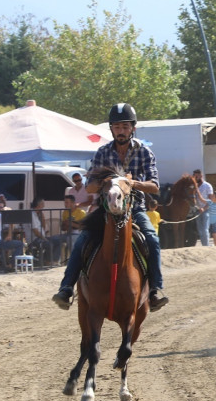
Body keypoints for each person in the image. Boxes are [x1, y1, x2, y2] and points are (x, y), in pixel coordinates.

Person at [52, 103, 168, 310]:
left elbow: (155, 186)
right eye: (116, 127)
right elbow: (89, 188)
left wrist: (132, 184)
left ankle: (155, 290)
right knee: (82, 241)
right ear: (111, 129)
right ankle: (66, 288)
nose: (120, 131)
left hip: (135, 209)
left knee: (152, 239)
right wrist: (106, 182)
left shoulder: (145, 153)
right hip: (106, 210)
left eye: (125, 127)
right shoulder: (102, 152)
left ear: (133, 128)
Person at [50, 194, 86, 259]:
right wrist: (65, 225)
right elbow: (63, 228)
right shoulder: (65, 212)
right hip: (68, 233)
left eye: (67, 202)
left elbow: (83, 226)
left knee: (71, 240)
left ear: (73, 203)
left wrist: (70, 224)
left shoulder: (81, 212)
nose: (65, 204)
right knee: (53, 239)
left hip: (78, 234)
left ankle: (74, 260)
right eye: (65, 202)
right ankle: (53, 260)